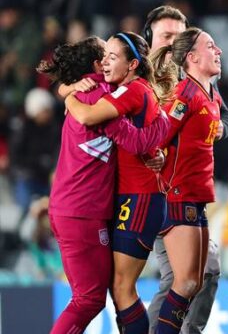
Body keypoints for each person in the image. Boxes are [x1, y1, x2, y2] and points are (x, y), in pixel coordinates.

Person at [41, 37, 168, 333]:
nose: (110, 62)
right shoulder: (101, 95)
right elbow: (137, 141)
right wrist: (166, 119)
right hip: (82, 211)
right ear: (98, 64)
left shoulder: (87, 91)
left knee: (109, 292)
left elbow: (71, 93)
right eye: (107, 56)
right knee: (90, 298)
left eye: (115, 55)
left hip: (70, 207)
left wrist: (66, 90)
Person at [143, 5, 228, 334]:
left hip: (196, 196)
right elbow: (159, 133)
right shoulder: (184, 94)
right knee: (183, 281)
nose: (218, 50)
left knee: (198, 278)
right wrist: (153, 157)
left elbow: (225, 119)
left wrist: (221, 127)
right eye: (210, 46)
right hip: (173, 194)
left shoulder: (208, 93)